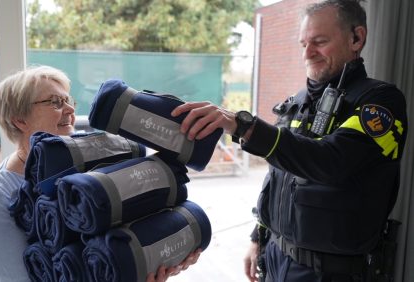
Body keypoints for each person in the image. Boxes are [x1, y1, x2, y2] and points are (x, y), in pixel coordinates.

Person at [171, 0, 408, 281]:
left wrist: (244, 127)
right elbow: (277, 175)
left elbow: (330, 161)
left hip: (330, 273)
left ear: (356, 38)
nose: (308, 53)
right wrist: (258, 237)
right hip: (276, 260)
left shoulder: (379, 101)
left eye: (319, 42)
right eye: (303, 43)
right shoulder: (298, 102)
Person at [0, 65, 199, 281]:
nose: (70, 110)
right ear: (19, 120)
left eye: (68, 100)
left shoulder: (90, 162)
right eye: (55, 102)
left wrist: (156, 258)